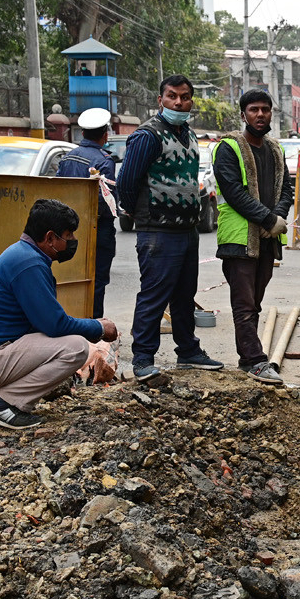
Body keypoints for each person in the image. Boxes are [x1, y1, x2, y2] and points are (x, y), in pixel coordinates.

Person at [0, 198, 118, 429]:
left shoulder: (25, 255)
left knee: (65, 342)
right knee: (75, 348)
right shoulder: (28, 263)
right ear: (50, 237)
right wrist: (99, 328)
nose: (72, 242)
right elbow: (54, 324)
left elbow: (45, 323)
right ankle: (3, 404)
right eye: (68, 235)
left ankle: (1, 398)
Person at [117, 74, 224, 380]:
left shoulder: (189, 134)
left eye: (185, 96)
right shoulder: (147, 136)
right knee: (154, 295)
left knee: (184, 296)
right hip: (158, 232)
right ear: (160, 100)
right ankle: (143, 359)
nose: (179, 102)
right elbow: (126, 182)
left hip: (187, 230)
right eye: (173, 96)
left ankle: (188, 351)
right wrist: (140, 214)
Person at [213, 89, 294, 384]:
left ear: (272, 113)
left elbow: (286, 188)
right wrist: (269, 219)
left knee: (255, 302)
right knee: (244, 304)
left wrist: (277, 218)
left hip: (266, 239)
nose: (260, 115)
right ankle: (253, 360)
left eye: (265, 109)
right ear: (243, 114)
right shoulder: (228, 148)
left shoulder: (275, 149)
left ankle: (251, 358)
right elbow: (234, 193)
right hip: (238, 240)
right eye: (253, 110)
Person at [56, 107, 118, 317]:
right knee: (96, 281)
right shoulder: (104, 160)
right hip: (97, 231)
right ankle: (93, 328)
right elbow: (106, 202)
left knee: (69, 278)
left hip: (67, 230)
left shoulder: (67, 158)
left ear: (82, 133)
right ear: (105, 134)